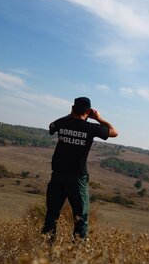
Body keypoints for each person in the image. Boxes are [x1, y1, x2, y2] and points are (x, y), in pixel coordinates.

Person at [41, 97, 118, 243]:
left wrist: (70, 115)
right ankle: (77, 254)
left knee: (52, 214)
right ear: (89, 112)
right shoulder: (90, 127)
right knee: (81, 217)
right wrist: (99, 118)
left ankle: (46, 248)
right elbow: (114, 132)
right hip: (77, 179)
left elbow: (51, 126)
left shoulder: (63, 122)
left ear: (73, 108)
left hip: (57, 176)